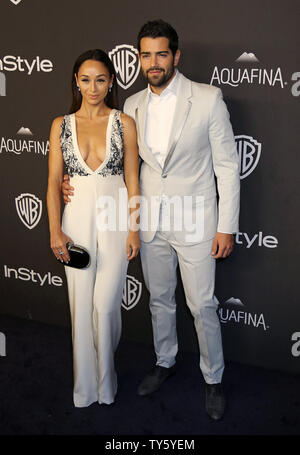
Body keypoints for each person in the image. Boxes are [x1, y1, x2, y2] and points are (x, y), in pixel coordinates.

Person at [63, 20, 240, 420]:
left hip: (196, 220)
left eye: (162, 53)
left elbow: (228, 166)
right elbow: (120, 166)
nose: (154, 62)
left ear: (175, 56)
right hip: (149, 221)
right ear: (138, 59)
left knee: (202, 305)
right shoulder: (132, 106)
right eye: (146, 55)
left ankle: (213, 378)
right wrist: (66, 184)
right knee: (159, 300)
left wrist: (226, 225)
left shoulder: (208, 99)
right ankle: (165, 361)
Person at [47, 49, 140, 408]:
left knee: (105, 304)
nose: (93, 87)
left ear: (112, 81)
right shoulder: (60, 125)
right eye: (86, 79)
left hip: (116, 219)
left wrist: (134, 229)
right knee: (80, 305)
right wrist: (55, 231)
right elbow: (53, 183)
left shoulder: (124, 123)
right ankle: (86, 390)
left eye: (101, 79)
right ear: (76, 81)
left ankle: (107, 379)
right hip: (76, 221)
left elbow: (133, 179)